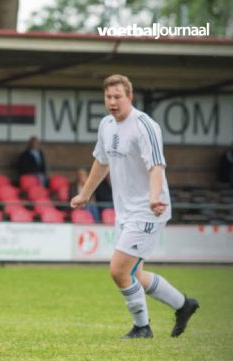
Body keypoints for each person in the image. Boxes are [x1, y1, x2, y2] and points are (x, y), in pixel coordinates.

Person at [71, 74, 199, 339]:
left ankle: (142, 328)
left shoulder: (144, 126)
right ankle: (183, 305)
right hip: (125, 211)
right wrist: (85, 193)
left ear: (130, 96)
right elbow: (100, 162)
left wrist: (154, 198)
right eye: (108, 97)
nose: (112, 102)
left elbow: (156, 165)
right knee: (136, 275)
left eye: (118, 96)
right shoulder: (106, 125)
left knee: (119, 270)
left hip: (149, 209)